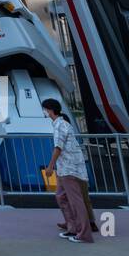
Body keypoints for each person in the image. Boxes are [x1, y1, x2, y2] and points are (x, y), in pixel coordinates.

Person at [41, 98, 94, 243]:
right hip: (66, 168)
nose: (44, 112)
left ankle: (84, 233)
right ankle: (72, 226)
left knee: (75, 200)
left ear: (50, 110)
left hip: (69, 168)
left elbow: (58, 147)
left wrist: (50, 166)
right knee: (61, 196)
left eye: (44, 109)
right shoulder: (61, 124)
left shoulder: (60, 125)